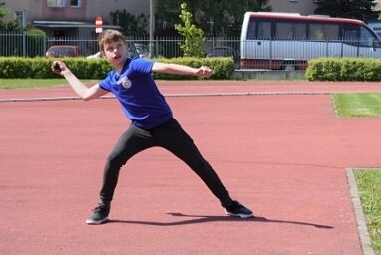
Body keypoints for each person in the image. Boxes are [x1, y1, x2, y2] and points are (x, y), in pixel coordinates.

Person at [52, 29, 253, 225]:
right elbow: (86, 95)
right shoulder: (111, 80)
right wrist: (67, 72)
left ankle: (229, 204)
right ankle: (103, 207)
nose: (116, 51)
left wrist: (195, 72)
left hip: (167, 127)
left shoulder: (136, 65)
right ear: (104, 54)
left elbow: (164, 67)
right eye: (110, 48)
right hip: (140, 130)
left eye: (119, 46)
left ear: (126, 47)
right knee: (113, 159)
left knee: (198, 163)